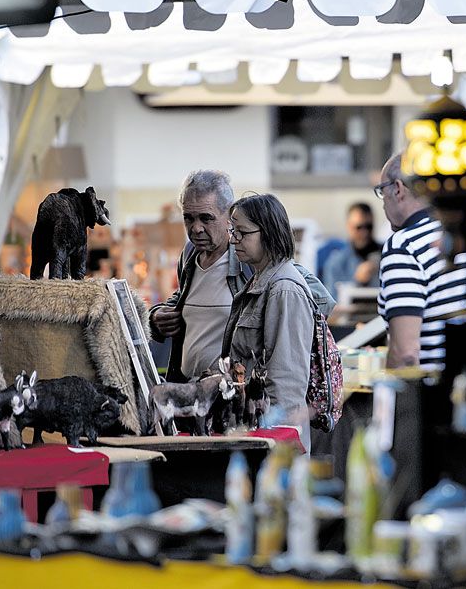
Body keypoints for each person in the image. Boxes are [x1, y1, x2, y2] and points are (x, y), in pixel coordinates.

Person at [149, 170, 334, 383]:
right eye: (188, 218)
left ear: (230, 216)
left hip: (231, 398)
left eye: (206, 218)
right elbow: (186, 297)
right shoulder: (191, 254)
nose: (196, 228)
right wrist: (156, 316)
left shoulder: (250, 256)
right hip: (189, 392)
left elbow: (319, 298)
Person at [376, 152, 466, 369]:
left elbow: (405, 353)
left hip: (439, 394)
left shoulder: (403, 246)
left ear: (398, 188)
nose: (382, 203)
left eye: (382, 192)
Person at [221, 193, 316, 451]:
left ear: (269, 233)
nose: (233, 240)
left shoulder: (284, 288)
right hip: (256, 432)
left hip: (273, 440)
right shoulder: (261, 281)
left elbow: (287, 383)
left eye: (242, 233)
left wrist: (276, 448)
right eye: (233, 231)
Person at [321, 202, 381, 298]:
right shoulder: (336, 263)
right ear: (349, 226)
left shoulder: (387, 254)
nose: (364, 232)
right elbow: (332, 305)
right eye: (359, 227)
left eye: (369, 227)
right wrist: (357, 281)